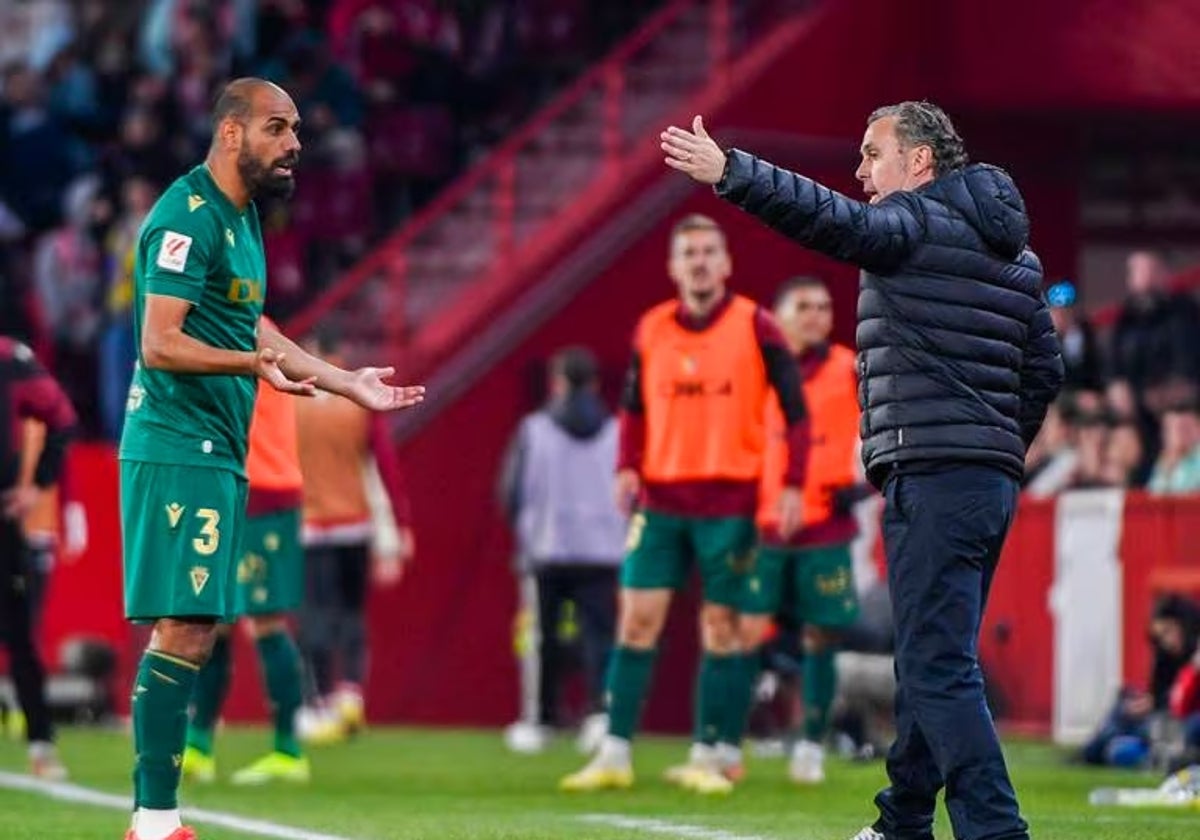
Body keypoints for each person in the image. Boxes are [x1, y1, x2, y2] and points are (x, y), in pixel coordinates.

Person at [661, 101, 1063, 840]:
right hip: (987, 482)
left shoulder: (913, 223)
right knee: (930, 662)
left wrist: (734, 173)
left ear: (919, 163)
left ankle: (996, 831)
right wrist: (1000, 445)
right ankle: (903, 822)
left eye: (872, 153)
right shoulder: (1019, 258)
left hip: (933, 475)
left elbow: (833, 220)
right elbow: (1046, 368)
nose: (860, 170)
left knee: (937, 669)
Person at [119, 78, 423, 840]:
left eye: (295, 131)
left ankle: (157, 815)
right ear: (230, 133)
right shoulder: (187, 216)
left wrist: (344, 383)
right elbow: (159, 342)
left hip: (215, 447)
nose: (295, 145)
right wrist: (249, 368)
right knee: (185, 626)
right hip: (177, 442)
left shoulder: (243, 215)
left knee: (200, 626)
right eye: (278, 129)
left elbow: (254, 327)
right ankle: (154, 821)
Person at [559, 214, 809, 795]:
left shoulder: (758, 325)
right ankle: (615, 754)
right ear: (673, 266)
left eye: (708, 251)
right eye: (688, 253)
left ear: (725, 263)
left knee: (722, 627)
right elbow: (633, 409)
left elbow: (796, 414)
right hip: (662, 500)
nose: (699, 261)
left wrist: (792, 484)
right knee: (636, 621)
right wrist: (626, 466)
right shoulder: (652, 329)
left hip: (730, 500)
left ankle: (709, 753)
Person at [736, 275, 871, 785]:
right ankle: (730, 742)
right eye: (804, 306)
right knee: (743, 635)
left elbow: (880, 428)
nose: (816, 315)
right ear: (778, 315)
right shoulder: (755, 372)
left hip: (825, 529)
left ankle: (812, 743)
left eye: (823, 306)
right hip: (763, 528)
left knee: (821, 637)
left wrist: (864, 486)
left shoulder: (847, 369)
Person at [181, 316, 311, 786]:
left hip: (264, 487)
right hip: (232, 486)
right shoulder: (232, 322)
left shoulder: (243, 326)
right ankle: (198, 743)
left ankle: (288, 750)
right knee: (214, 620)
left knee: (265, 621)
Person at [498, 346, 626, 753]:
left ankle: (542, 718)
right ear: (594, 383)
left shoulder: (534, 429)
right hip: (603, 549)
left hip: (546, 547)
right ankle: (598, 714)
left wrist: (523, 531)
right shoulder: (617, 430)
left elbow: (511, 492)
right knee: (599, 637)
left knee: (542, 638)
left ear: (556, 382)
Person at [293, 329, 416, 744]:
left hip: (308, 525)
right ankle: (351, 693)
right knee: (350, 612)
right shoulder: (357, 402)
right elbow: (383, 466)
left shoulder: (293, 402)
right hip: (355, 522)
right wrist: (398, 528)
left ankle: (319, 700)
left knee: (314, 614)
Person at [0, 336, 75, 780]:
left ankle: (41, 744)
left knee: (20, 633)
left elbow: (62, 418)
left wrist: (37, 484)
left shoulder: (11, 359)